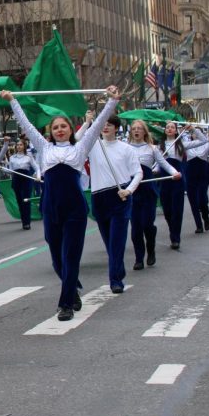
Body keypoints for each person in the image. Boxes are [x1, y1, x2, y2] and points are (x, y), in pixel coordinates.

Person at [0, 85, 121, 321]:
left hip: (75, 209)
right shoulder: (44, 148)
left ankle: (65, 303)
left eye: (63, 126)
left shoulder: (80, 147)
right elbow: (25, 124)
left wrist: (112, 101)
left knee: (71, 256)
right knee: (57, 258)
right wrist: (12, 100)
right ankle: (72, 288)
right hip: (51, 207)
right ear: (51, 132)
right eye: (55, 127)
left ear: (69, 128)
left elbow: (97, 126)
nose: (60, 130)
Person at [86, 115, 143, 294]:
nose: (105, 127)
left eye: (109, 125)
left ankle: (115, 280)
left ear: (116, 127)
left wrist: (129, 190)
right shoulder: (93, 145)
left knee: (117, 241)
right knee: (109, 242)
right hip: (99, 197)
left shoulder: (126, 149)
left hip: (120, 197)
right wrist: (88, 123)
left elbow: (138, 173)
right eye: (102, 125)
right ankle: (118, 269)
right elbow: (77, 140)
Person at [127, 120, 181, 270]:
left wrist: (174, 173)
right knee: (136, 226)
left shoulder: (152, 148)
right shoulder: (125, 148)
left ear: (144, 132)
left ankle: (150, 250)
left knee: (147, 224)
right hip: (132, 190)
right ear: (131, 132)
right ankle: (139, 258)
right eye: (134, 129)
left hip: (148, 190)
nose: (136, 131)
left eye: (139, 129)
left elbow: (164, 164)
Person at [158, 122, 205, 249]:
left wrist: (193, 129)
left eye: (172, 127)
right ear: (165, 130)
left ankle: (175, 238)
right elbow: (157, 163)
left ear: (176, 130)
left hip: (177, 179)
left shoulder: (181, 144)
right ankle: (172, 230)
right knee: (167, 210)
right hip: (164, 179)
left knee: (177, 209)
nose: (169, 129)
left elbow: (203, 140)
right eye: (167, 127)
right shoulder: (159, 146)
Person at [5, 139, 41, 230]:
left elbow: (37, 167)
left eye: (21, 145)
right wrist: (0, 168)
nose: (19, 146)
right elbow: (10, 171)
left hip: (26, 180)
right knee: (20, 201)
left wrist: (38, 175)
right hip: (16, 180)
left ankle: (27, 222)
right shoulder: (12, 157)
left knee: (26, 200)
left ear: (24, 146)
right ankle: (23, 221)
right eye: (17, 145)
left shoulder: (28, 156)